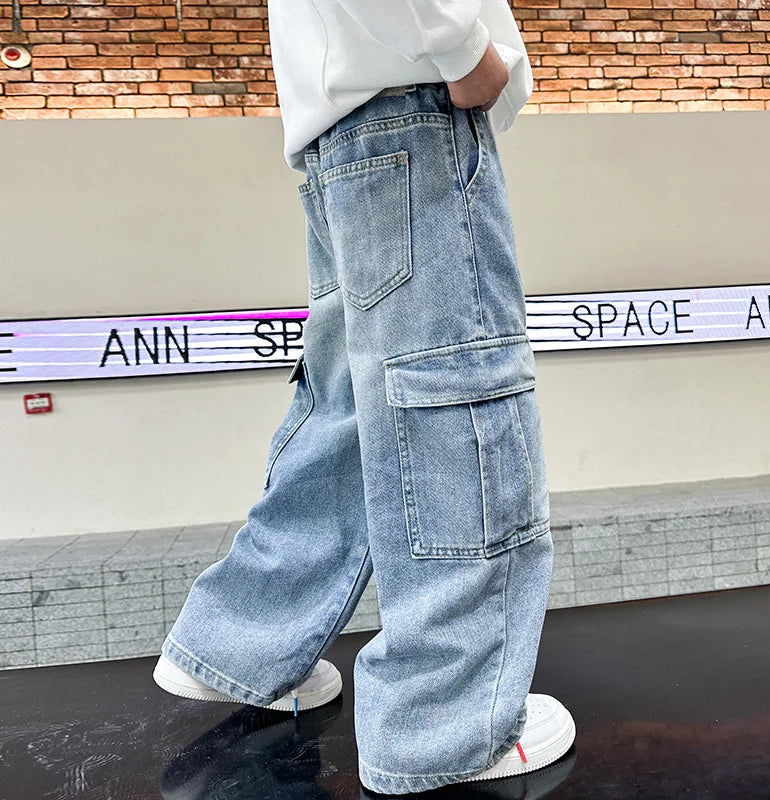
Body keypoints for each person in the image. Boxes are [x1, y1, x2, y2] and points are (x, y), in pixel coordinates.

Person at [152, 0, 577, 794]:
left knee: (353, 410)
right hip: (413, 114)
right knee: (457, 407)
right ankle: (444, 730)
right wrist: (463, 49)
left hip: (343, 136)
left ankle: (240, 645)